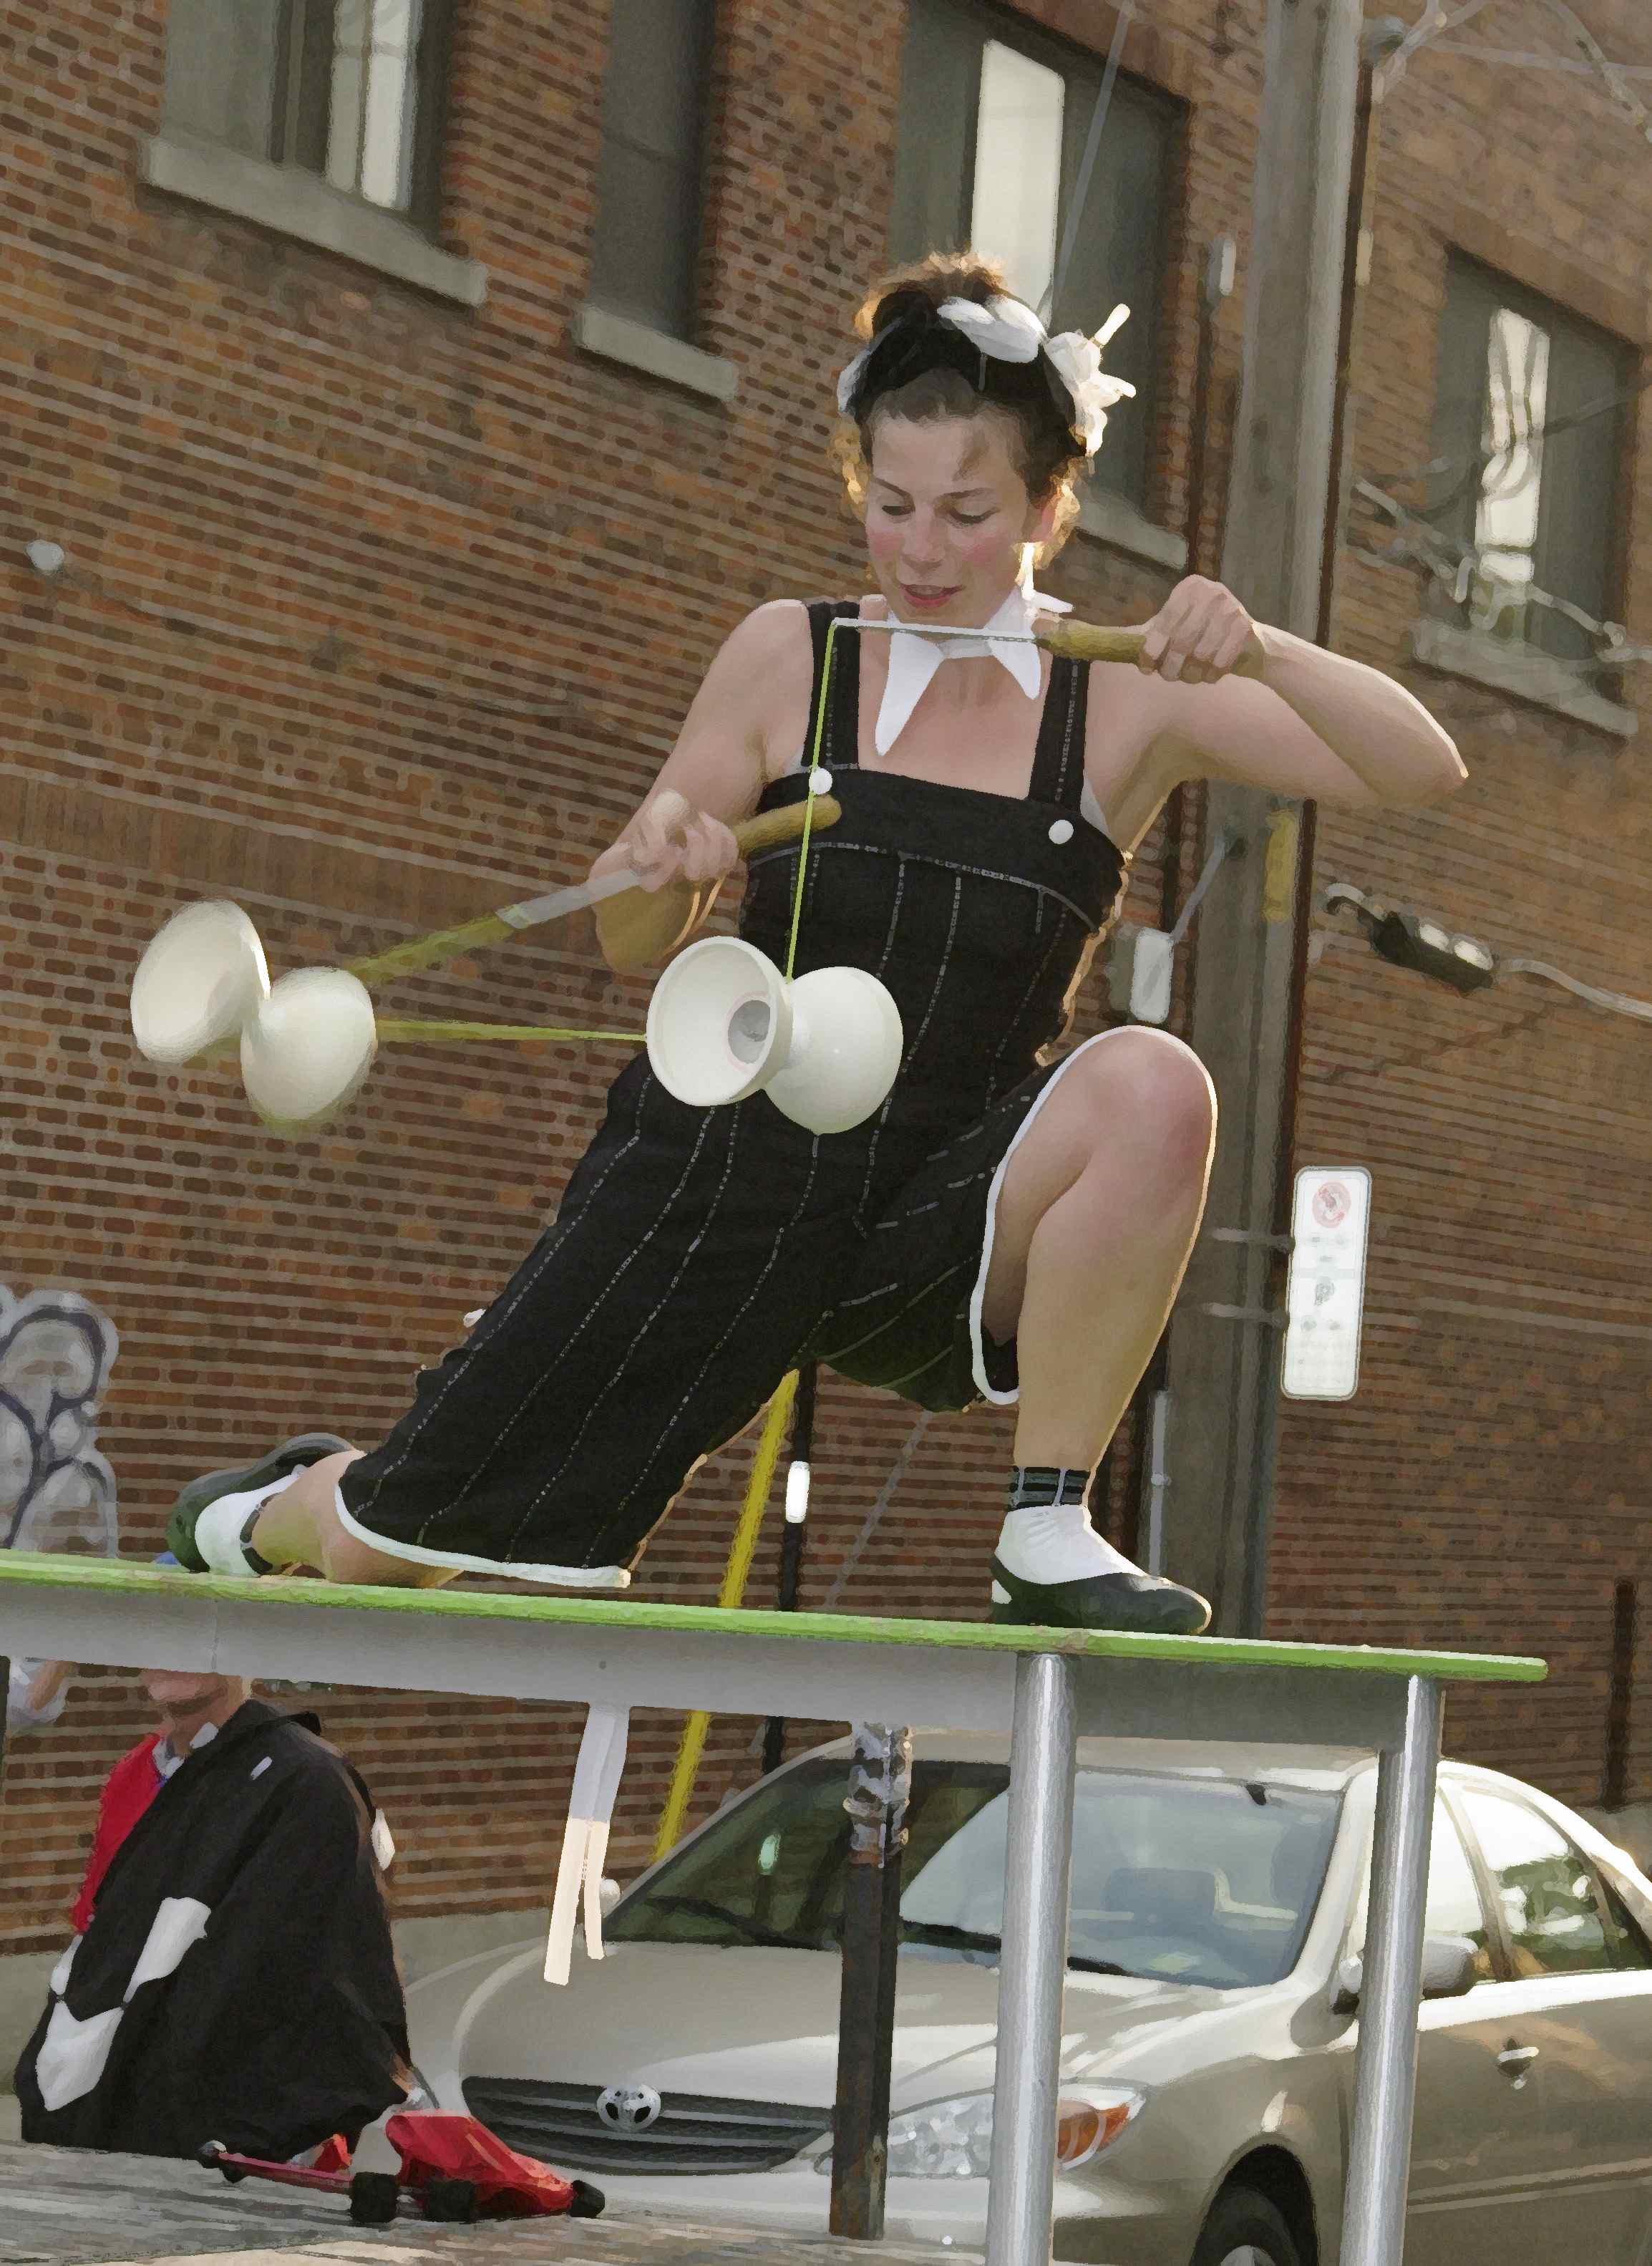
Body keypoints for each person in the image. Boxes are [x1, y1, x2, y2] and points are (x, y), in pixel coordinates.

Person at [162, 253, 1464, 1634]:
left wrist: (1257, 647)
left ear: (1044, 509)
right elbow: (626, 940)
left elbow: (1419, 773)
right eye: (890, 507)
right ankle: (294, 1502)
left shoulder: (1127, 692)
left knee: (1154, 1083)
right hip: (725, 1169)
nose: (918, 550)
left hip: (941, 1204)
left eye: (967, 513)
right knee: (414, 1549)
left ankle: (1047, 1527)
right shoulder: (793, 655)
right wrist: (668, 867)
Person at [15, 1662, 409, 2161]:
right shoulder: (137, 1773)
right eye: (163, 1623)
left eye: (203, 1624)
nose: (177, 1650)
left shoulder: (305, 1779)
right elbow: (102, 1927)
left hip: (229, 2127)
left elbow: (315, 1962)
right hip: (123, 2102)